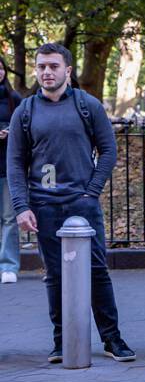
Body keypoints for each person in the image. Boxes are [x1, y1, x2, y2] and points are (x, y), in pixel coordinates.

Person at [6, 43, 134, 363]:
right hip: (44, 207)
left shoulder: (87, 105)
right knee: (55, 275)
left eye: (53, 66)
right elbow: (16, 162)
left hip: (82, 205)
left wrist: (91, 191)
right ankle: (62, 342)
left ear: (68, 70)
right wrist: (22, 206)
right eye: (41, 67)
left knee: (96, 271)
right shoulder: (26, 110)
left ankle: (111, 338)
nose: (46, 72)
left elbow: (108, 151)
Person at [0, 55, 23, 284]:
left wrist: (9, 132)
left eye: (1, 68)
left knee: (9, 218)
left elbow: (22, 127)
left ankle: (8, 265)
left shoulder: (13, 98)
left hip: (7, 167)